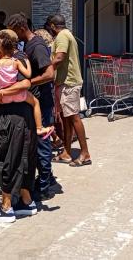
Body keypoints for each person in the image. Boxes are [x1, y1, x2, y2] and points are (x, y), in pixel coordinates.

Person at [6, 13, 59, 200]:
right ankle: (48, 178)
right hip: (36, 101)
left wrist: (29, 83)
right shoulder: (29, 45)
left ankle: (43, 188)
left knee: (42, 143)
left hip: (42, 102)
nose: (12, 37)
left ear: (21, 28)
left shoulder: (36, 46)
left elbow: (49, 74)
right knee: (37, 142)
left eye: (13, 32)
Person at [0, 29, 53, 138]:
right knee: (36, 102)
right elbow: (28, 75)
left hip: (3, 99)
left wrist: (0, 90)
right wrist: (28, 62)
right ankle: (39, 128)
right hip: (20, 96)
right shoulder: (16, 61)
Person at [0, 65, 38, 222]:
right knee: (21, 159)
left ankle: (7, 207)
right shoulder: (16, 62)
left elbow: (26, 84)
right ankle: (26, 202)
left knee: (5, 160)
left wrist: (1, 93)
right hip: (19, 119)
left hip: (11, 120)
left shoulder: (14, 61)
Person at [49, 15, 91, 167]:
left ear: (53, 26)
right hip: (66, 82)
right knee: (66, 119)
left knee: (74, 118)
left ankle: (85, 153)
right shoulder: (67, 34)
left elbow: (59, 57)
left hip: (69, 83)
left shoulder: (62, 36)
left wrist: (46, 69)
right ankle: (66, 152)